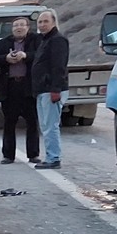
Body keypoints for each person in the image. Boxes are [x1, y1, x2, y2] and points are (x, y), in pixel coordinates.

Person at [0, 16, 40, 164]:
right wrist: (6, 58)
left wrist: (25, 56)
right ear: (12, 29)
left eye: (22, 25)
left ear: (27, 27)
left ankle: (33, 154)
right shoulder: (3, 42)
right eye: (15, 26)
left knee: (32, 122)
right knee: (9, 123)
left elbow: (41, 56)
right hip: (10, 87)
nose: (18, 28)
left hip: (28, 87)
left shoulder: (35, 40)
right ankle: (8, 155)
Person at [32, 9, 70, 169]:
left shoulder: (58, 40)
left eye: (45, 21)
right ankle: (50, 155)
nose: (42, 25)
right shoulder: (45, 40)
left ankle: (53, 158)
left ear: (53, 22)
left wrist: (55, 89)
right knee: (45, 126)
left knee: (50, 126)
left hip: (51, 90)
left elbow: (59, 66)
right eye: (40, 22)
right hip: (42, 89)